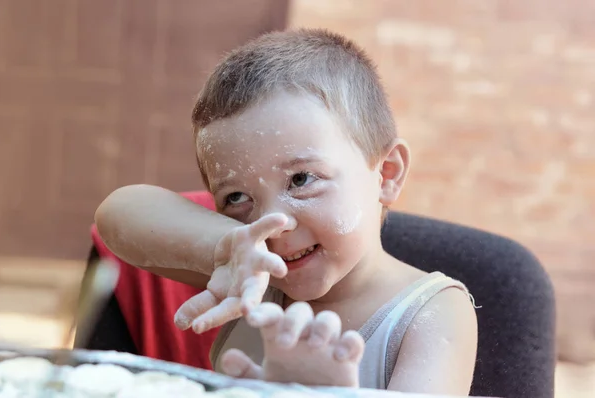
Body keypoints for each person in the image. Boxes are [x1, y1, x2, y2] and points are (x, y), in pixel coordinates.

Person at [95, 29, 478, 395]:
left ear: (387, 174)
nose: (272, 224)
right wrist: (224, 249)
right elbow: (118, 214)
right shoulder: (254, 275)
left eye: (301, 180)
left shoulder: (433, 314)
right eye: (236, 198)